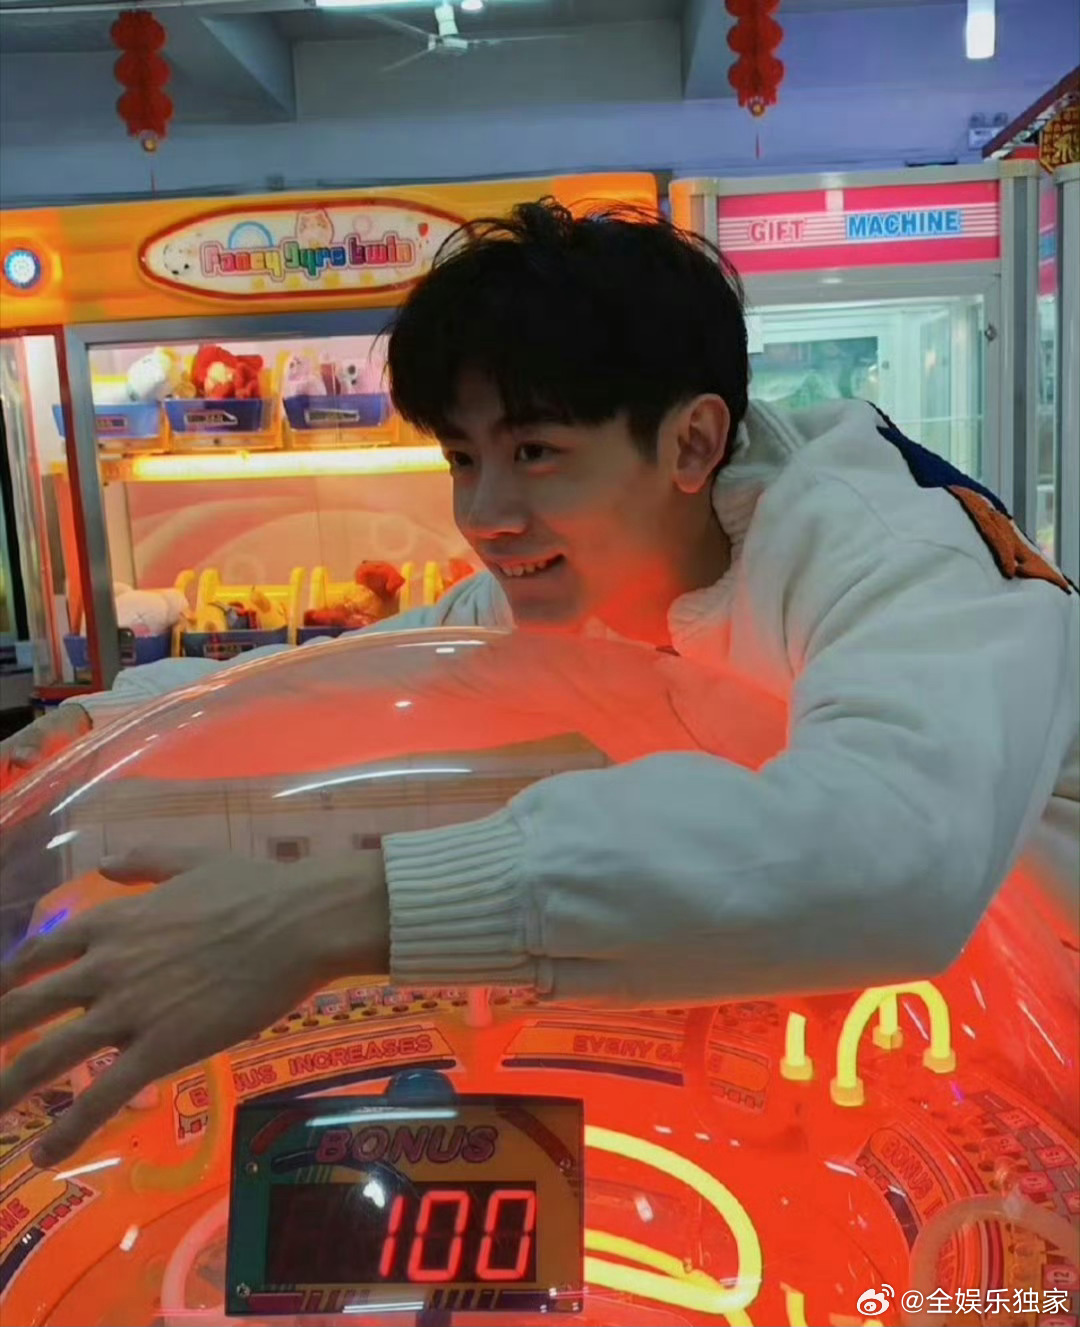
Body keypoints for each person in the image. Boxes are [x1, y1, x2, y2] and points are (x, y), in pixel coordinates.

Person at [1, 201, 1077, 1167]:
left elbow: (894, 849)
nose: (485, 517)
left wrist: (333, 913)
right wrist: (91, 727)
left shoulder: (895, 555)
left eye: (537, 453)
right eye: (463, 459)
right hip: (906, 1009)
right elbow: (368, 673)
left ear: (693, 442)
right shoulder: (600, 572)